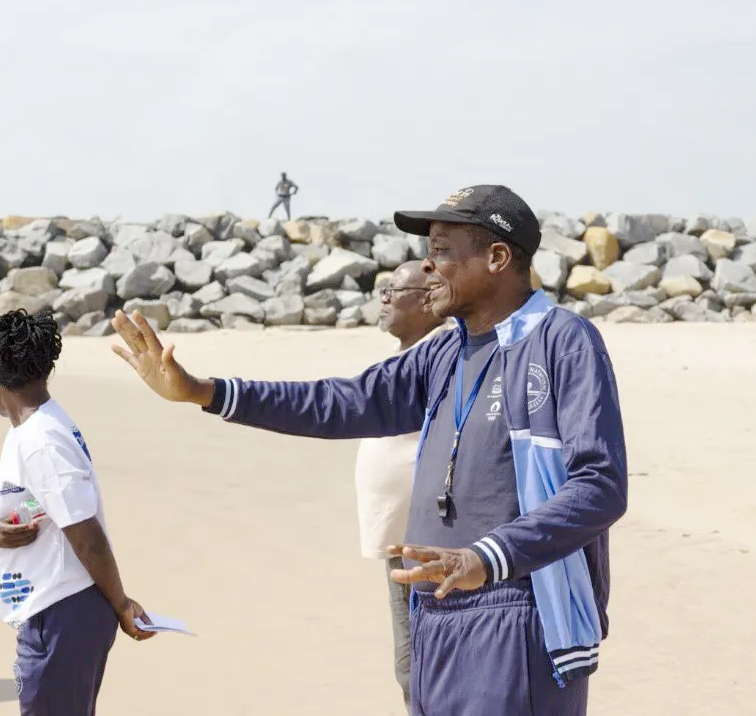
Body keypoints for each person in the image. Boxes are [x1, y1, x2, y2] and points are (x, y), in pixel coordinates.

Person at [109, 184, 628, 716]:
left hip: (518, 612)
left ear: (497, 258)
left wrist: (485, 558)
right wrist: (203, 392)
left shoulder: (564, 342)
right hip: (436, 616)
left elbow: (600, 486)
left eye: (443, 251)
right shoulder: (444, 351)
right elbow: (339, 402)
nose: (428, 267)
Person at [0, 308, 155, 715]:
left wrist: (123, 605)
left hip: (62, 614)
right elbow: (26, 503)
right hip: (54, 614)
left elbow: (87, 537)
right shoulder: (28, 430)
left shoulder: (41, 440)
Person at [358, 260, 447, 711]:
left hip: (434, 545)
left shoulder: (444, 355)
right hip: (401, 543)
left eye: (396, 290)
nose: (385, 297)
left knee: (424, 666)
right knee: (409, 665)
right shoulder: (407, 358)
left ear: (429, 300)